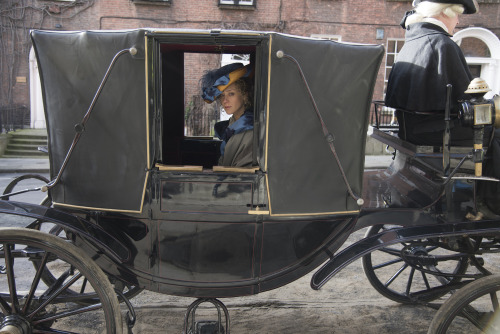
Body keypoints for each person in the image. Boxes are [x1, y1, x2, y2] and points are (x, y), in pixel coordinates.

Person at [385, 0, 480, 146]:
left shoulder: (412, 42)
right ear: (444, 12)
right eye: (456, 15)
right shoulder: (442, 44)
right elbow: (467, 99)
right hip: (434, 132)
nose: (458, 21)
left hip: (409, 129)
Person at [201, 63, 254, 167]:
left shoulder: (250, 128)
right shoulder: (233, 123)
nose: (225, 100)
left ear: (244, 95)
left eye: (231, 94)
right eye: (222, 96)